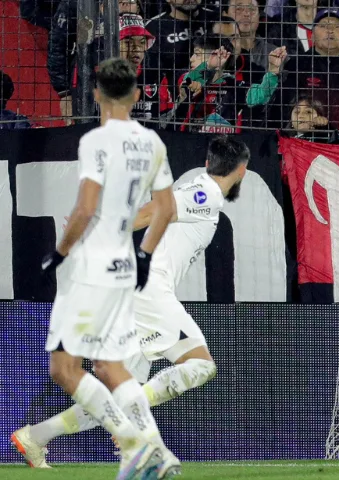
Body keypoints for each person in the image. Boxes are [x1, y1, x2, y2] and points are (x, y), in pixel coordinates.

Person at [11, 136, 250, 469]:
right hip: (150, 291)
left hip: (135, 293)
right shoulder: (205, 193)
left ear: (208, 163)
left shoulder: (200, 189)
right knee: (201, 366)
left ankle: (35, 437)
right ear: (242, 170)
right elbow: (152, 212)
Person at [11, 57, 180, 479]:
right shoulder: (153, 145)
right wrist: (143, 255)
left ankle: (137, 446)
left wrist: (61, 253)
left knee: (66, 368)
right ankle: (149, 450)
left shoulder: (96, 143)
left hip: (89, 264)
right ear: (138, 96)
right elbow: (167, 210)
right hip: (125, 266)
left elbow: (85, 209)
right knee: (112, 365)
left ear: (97, 95)